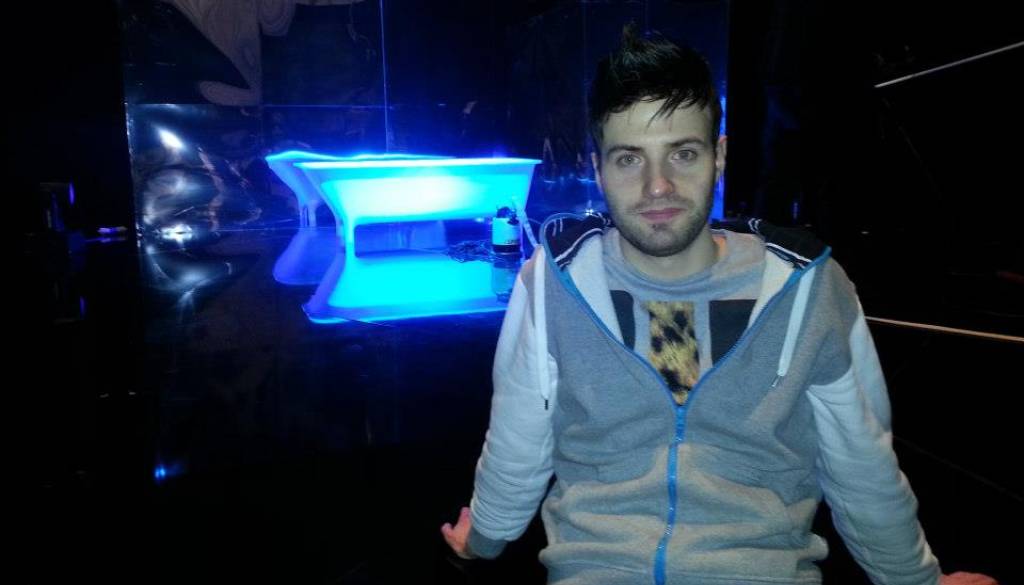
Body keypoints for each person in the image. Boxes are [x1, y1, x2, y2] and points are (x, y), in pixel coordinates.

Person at [442, 24, 998, 585]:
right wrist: (485, 534)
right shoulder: (552, 283)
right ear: (597, 169)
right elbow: (519, 432)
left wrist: (915, 578)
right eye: (630, 159)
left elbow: (860, 459)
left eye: (683, 153)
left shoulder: (809, 287)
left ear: (720, 155)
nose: (658, 186)